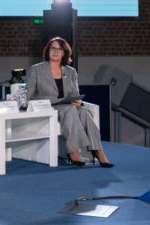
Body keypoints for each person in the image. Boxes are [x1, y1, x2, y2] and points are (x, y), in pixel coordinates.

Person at [25, 37, 113, 167]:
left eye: (59, 49)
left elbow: (75, 94)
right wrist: (31, 104)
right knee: (70, 110)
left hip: (67, 106)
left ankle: (98, 150)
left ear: (64, 53)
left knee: (84, 113)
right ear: (48, 50)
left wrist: (78, 102)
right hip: (47, 107)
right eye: (53, 48)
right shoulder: (36, 69)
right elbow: (28, 95)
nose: (55, 51)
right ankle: (73, 151)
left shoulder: (71, 72)